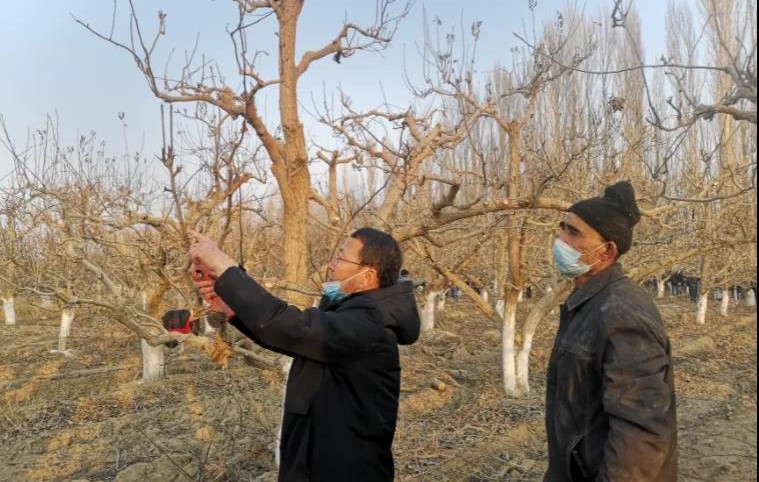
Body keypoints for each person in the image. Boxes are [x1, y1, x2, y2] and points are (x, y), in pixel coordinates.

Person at [187, 227, 420, 482]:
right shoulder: (351, 315)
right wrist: (233, 309)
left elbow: (293, 328)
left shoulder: (371, 322)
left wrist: (224, 266)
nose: (331, 265)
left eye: (341, 258)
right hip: (317, 460)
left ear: (367, 276)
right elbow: (290, 338)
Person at [544, 181, 678, 481]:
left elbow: (640, 434)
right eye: (562, 228)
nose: (560, 239)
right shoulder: (589, 302)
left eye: (573, 232)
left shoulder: (620, 313)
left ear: (606, 251)